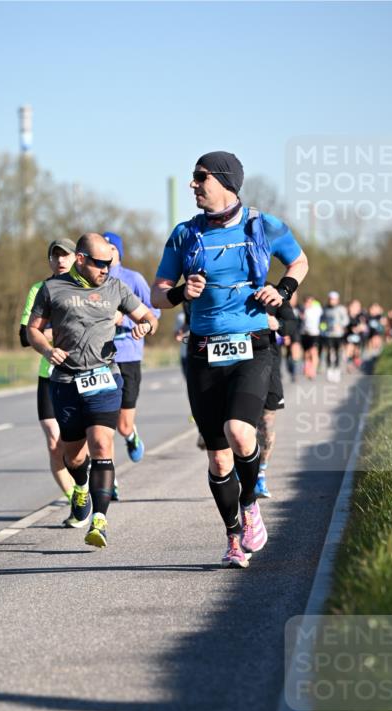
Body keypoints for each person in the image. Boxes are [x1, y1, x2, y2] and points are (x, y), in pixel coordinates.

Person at [151, 151, 308, 568]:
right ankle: (234, 537)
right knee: (219, 456)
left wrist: (283, 290)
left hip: (252, 346)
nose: (193, 185)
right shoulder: (185, 234)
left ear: (224, 181)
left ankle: (250, 502)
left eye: (200, 177)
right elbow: (157, 293)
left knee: (240, 432)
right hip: (204, 352)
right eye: (193, 177)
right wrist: (181, 292)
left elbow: (299, 260)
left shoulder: (263, 225)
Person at [27, 233, 158, 548]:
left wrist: (145, 325)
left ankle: (99, 520)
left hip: (104, 376)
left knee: (102, 444)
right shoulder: (52, 289)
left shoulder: (115, 287)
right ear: (81, 260)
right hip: (66, 381)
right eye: (100, 263)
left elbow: (148, 316)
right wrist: (47, 350)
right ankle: (81, 486)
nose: (106, 269)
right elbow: (33, 330)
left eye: (109, 263)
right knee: (73, 455)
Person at [19, 238, 76, 512]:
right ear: (49, 260)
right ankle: (77, 500)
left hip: (82, 372)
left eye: (66, 255)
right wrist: (58, 332)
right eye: (55, 256)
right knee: (55, 443)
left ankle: (94, 482)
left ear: (77, 258)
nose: (60, 260)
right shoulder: (38, 290)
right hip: (49, 374)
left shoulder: (86, 287)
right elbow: (24, 335)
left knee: (80, 442)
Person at [102, 231, 160, 499]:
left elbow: (154, 310)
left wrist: (125, 320)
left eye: (111, 248)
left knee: (122, 425)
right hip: (100, 360)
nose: (107, 252)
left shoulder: (133, 279)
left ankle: (131, 435)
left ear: (119, 252)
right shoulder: (91, 281)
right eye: (103, 248)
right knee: (102, 425)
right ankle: (109, 480)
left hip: (128, 357)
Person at [320, 291, 349, 382]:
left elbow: (346, 320)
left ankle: (337, 370)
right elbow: (322, 321)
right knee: (329, 351)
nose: (332, 301)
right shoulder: (325, 309)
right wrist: (323, 328)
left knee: (337, 352)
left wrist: (340, 325)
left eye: (333, 299)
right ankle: (329, 370)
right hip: (328, 334)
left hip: (338, 334)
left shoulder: (341, 309)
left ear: (337, 300)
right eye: (330, 299)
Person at [301, 295, 323, 379]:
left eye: (310, 302)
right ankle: (307, 368)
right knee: (307, 353)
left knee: (314, 351)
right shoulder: (303, 310)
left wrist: (314, 302)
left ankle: (313, 370)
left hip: (314, 334)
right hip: (304, 334)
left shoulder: (317, 309)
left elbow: (319, 308)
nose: (309, 303)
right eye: (307, 302)